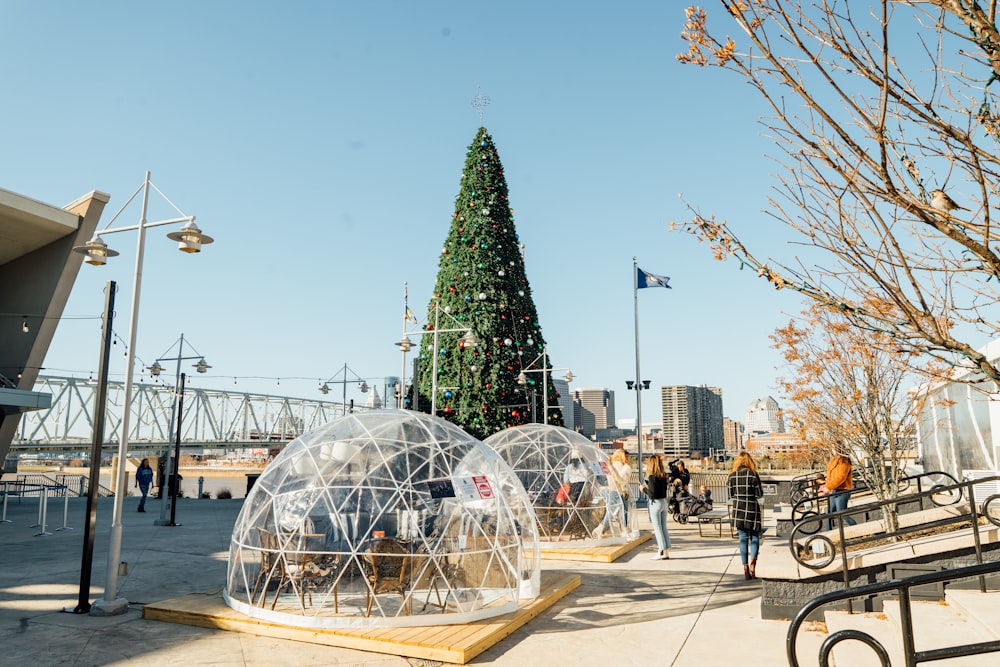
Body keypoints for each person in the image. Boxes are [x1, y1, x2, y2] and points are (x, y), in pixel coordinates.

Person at [728, 450, 763, 579]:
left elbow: (730, 495)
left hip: (738, 509)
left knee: (742, 539)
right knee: (755, 537)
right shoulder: (753, 475)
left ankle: (745, 567)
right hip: (752, 508)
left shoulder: (732, 476)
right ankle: (754, 563)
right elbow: (760, 494)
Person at [642, 454, 671, 560]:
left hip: (655, 503)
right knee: (664, 527)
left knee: (657, 528)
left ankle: (661, 551)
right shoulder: (663, 476)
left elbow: (652, 494)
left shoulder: (651, 477)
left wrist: (643, 489)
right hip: (664, 502)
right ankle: (666, 551)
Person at [819, 453, 855, 530]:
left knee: (842, 514)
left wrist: (828, 487)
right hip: (834, 490)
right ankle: (827, 533)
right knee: (828, 513)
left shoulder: (844, 462)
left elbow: (841, 477)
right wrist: (827, 487)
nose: (832, 450)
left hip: (843, 491)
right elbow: (830, 477)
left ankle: (856, 528)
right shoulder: (833, 461)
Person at [606, 449, 632, 533]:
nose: (627, 459)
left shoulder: (614, 464)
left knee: (617, 510)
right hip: (617, 491)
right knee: (619, 511)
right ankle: (623, 528)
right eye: (626, 457)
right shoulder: (619, 465)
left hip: (613, 490)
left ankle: (623, 528)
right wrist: (625, 490)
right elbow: (620, 480)